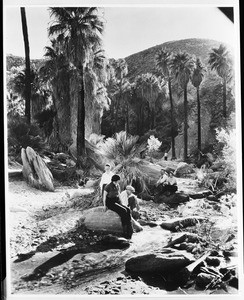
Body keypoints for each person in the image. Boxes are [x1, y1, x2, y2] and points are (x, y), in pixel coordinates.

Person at [103, 175, 133, 239]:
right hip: (110, 202)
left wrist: (122, 203)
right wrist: (105, 206)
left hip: (116, 200)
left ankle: (129, 228)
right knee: (123, 211)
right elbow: (104, 197)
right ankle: (124, 230)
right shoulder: (108, 186)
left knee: (127, 209)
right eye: (119, 180)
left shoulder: (117, 185)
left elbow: (118, 194)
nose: (119, 181)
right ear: (116, 180)